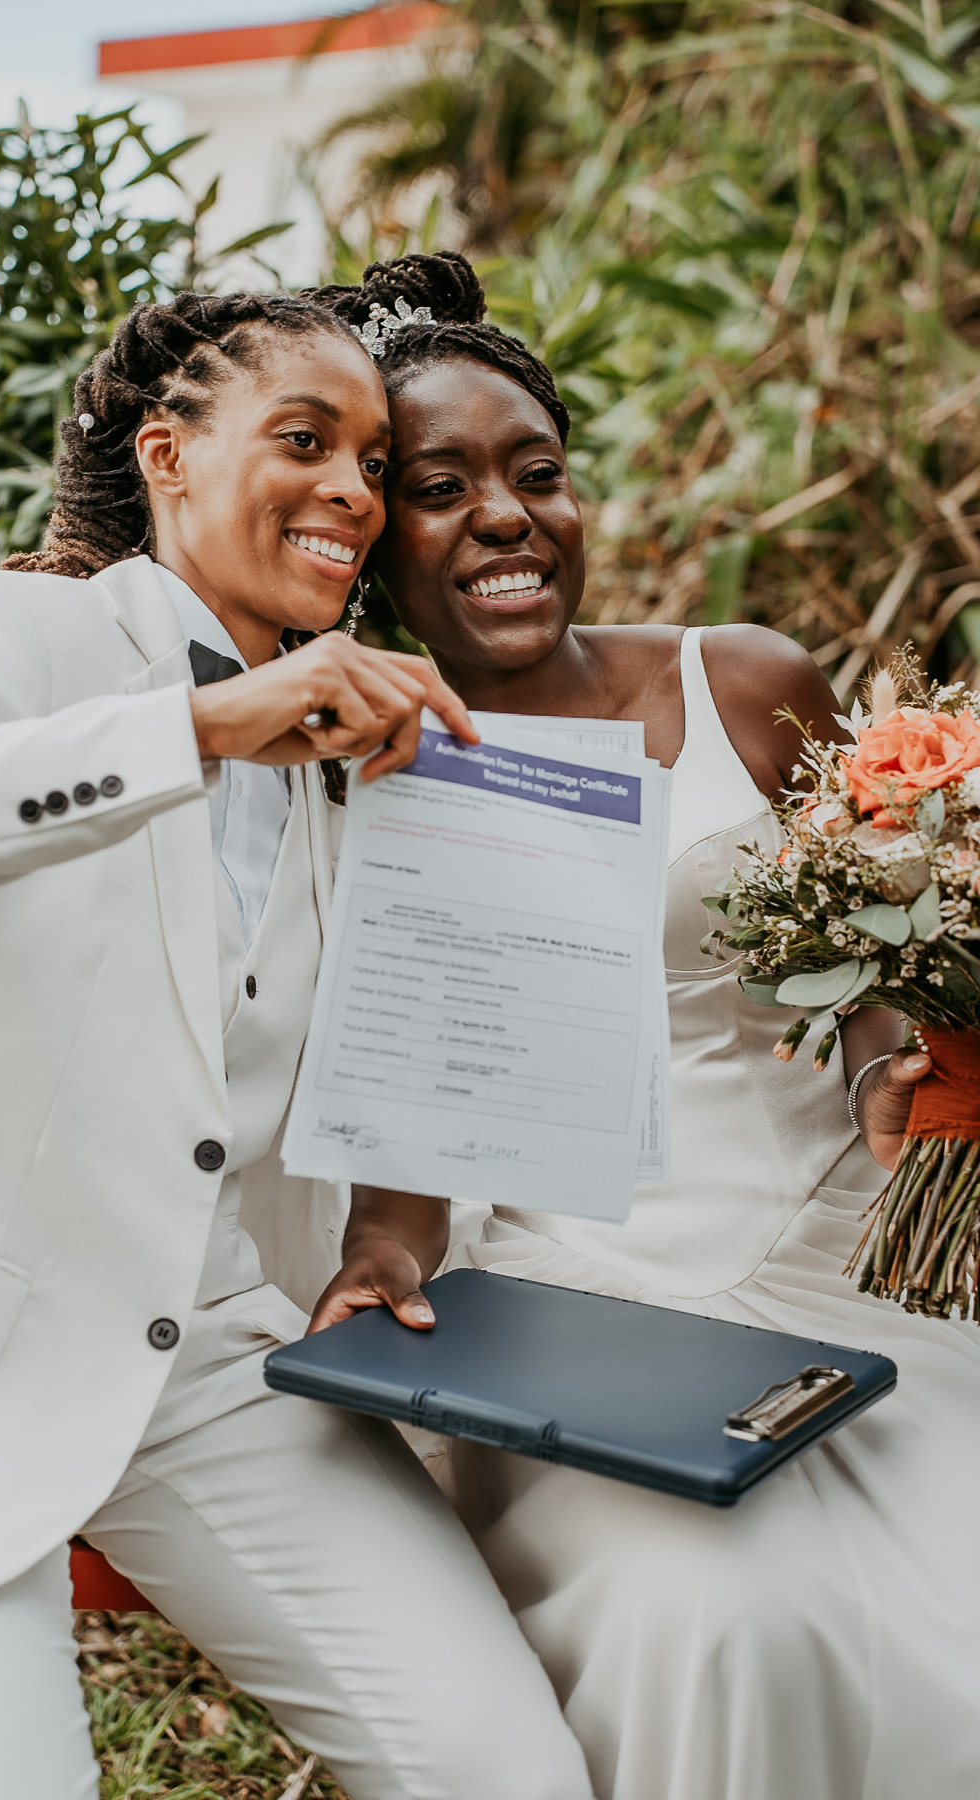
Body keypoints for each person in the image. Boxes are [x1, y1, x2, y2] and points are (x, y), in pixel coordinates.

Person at [0, 289, 594, 1800]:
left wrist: (392, 1244)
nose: (350, 489)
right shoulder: (22, 632)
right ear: (168, 452)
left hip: (220, 1363)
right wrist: (193, 733)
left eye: (370, 458)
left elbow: (415, 1057)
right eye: (305, 441)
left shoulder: (374, 751)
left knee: (511, 1776)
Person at [310, 253, 980, 1800]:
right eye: (439, 484)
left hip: (853, 1252)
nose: (504, 515)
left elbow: (874, 949)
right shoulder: (355, 771)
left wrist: (901, 1057)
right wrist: (386, 1262)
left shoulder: (744, 684)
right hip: (581, 1296)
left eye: (536, 472)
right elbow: (408, 1162)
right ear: (367, 537)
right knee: (722, 1623)